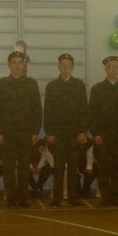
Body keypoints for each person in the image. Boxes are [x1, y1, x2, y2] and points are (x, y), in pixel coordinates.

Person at [0, 51, 42, 208]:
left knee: (24, 167)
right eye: (13, 62)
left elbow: (37, 109)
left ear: (24, 65)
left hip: (26, 132)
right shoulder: (1, 84)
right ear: (9, 65)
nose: (17, 66)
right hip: (7, 133)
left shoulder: (31, 84)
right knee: (8, 168)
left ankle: (22, 197)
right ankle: (10, 197)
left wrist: (35, 131)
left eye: (20, 62)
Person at [44, 53, 88, 207]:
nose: (65, 68)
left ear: (72, 67)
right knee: (58, 168)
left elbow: (83, 109)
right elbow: (47, 111)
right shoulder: (52, 86)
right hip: (58, 134)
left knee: (73, 168)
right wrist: (49, 132)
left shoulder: (79, 85)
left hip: (74, 134)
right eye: (63, 66)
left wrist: (82, 131)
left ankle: (73, 198)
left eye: (68, 66)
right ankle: (57, 198)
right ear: (58, 67)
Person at [88, 56, 118, 207]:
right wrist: (95, 133)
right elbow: (92, 113)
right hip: (103, 135)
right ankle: (105, 197)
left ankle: (116, 196)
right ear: (105, 69)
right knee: (103, 167)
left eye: (116, 67)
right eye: (111, 67)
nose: (114, 70)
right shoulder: (97, 89)